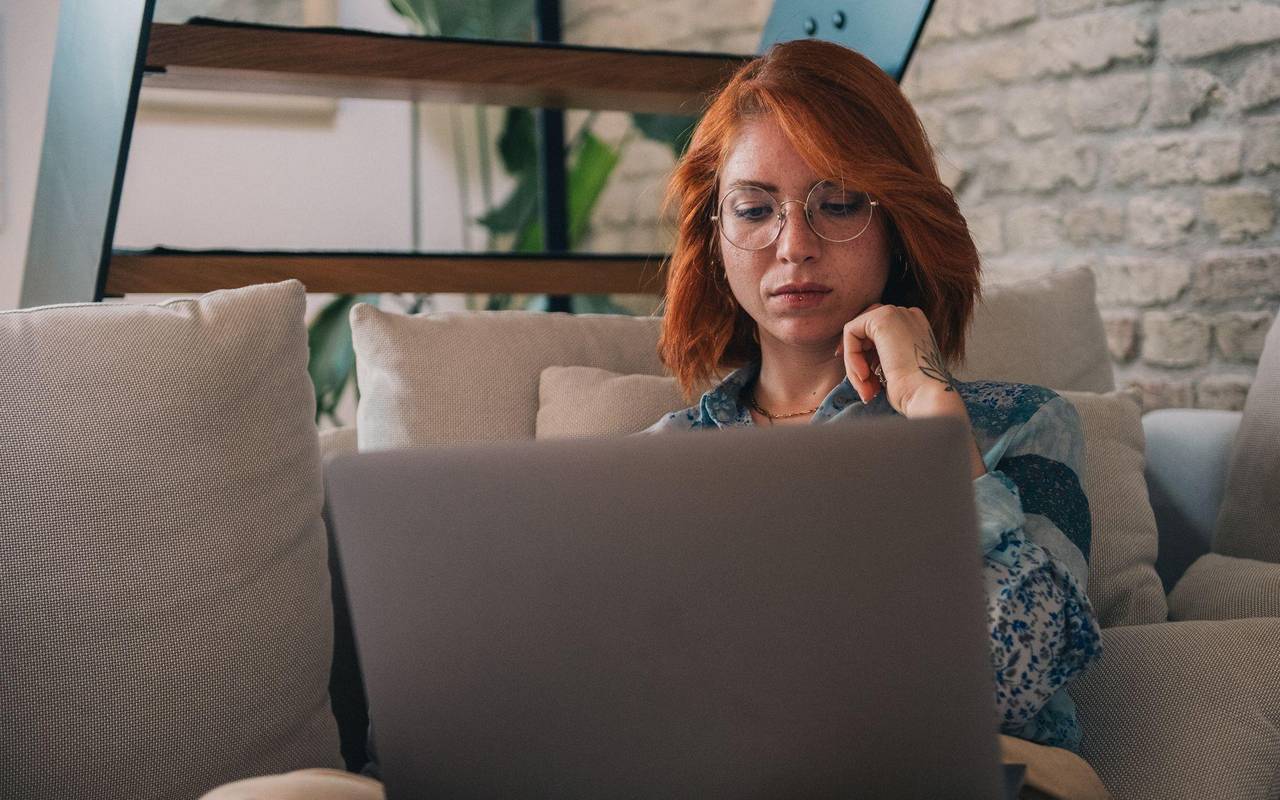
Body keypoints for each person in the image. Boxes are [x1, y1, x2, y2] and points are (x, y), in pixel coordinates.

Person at [645, 37, 1103, 754]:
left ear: (898, 223)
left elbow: (1015, 678)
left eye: (837, 203)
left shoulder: (1020, 426)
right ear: (715, 237)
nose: (794, 244)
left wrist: (936, 420)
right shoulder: (659, 462)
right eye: (754, 209)